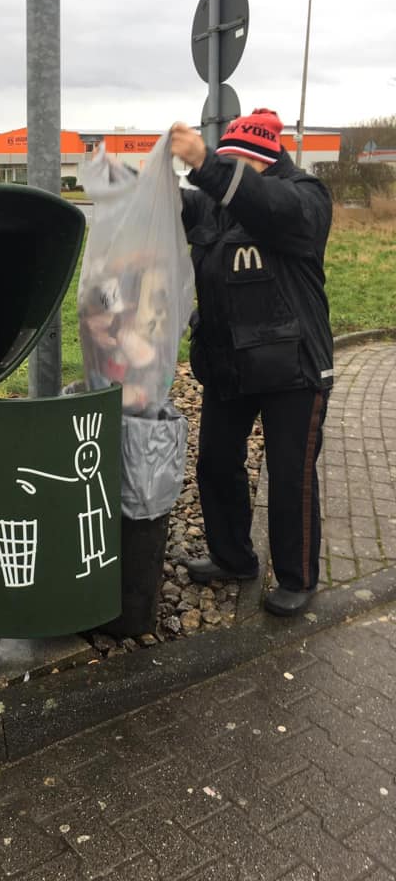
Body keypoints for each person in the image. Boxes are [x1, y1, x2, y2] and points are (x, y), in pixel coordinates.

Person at [169, 109, 333, 616]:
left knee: (290, 475)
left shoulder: (304, 197)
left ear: (264, 160)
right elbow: (174, 208)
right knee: (216, 460)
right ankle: (232, 557)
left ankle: (298, 577)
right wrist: (132, 182)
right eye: (226, 163)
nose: (230, 174)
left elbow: (267, 205)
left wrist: (207, 164)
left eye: (238, 164)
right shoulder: (217, 207)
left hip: (294, 369)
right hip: (231, 367)